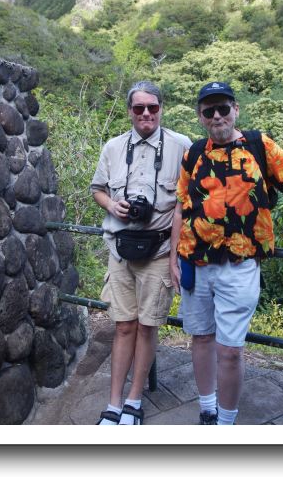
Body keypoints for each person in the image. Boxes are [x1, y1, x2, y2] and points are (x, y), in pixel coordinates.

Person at [170, 81, 283, 425]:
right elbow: (181, 208)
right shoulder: (194, 154)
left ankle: (226, 423)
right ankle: (207, 409)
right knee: (200, 338)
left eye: (223, 108)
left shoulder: (259, 146)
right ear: (200, 116)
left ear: (235, 110)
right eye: (208, 111)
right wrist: (172, 260)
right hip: (195, 262)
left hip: (239, 267)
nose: (216, 116)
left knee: (229, 350)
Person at [90, 81, 191, 425]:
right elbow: (97, 189)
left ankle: (135, 399)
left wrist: (177, 256)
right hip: (120, 250)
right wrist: (112, 205)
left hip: (160, 251)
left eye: (152, 107)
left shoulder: (181, 147)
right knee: (122, 327)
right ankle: (114, 402)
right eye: (138, 108)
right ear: (130, 111)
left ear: (162, 108)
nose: (146, 113)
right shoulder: (114, 148)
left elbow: (185, 205)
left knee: (148, 328)